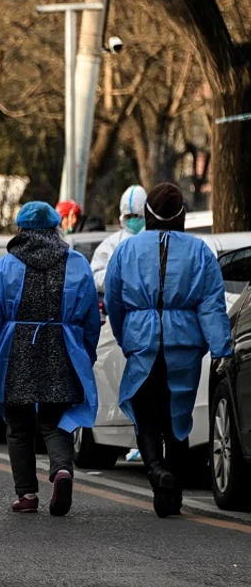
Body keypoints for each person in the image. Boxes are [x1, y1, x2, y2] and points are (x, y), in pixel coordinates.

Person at [0, 201, 100, 516]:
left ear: (22, 229)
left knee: (18, 425)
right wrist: (87, 353)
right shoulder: (76, 263)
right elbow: (89, 318)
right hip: (62, 348)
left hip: (16, 352)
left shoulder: (6, 265)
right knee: (55, 420)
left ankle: (27, 494)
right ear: (54, 228)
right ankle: (61, 470)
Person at [104, 182, 230, 517]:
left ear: (147, 214)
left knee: (146, 416)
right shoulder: (200, 251)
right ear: (182, 215)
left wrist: (124, 335)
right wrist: (222, 349)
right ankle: (171, 499)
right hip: (184, 346)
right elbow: (212, 305)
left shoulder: (126, 251)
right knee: (177, 419)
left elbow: (114, 302)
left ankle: (156, 472)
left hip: (141, 342)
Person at [90, 185, 147, 293]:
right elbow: (95, 277)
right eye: (128, 216)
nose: (132, 220)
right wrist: (119, 278)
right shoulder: (110, 244)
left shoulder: (155, 240)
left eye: (137, 216)